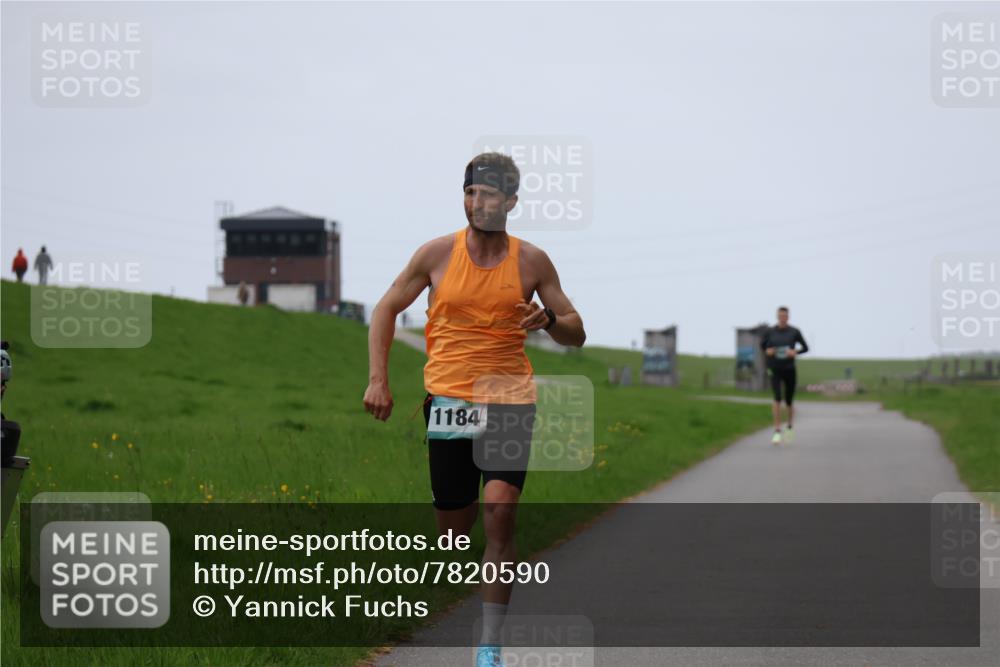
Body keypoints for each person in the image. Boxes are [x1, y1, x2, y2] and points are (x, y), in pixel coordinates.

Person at [363, 152, 586, 667]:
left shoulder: (531, 261)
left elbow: (576, 330)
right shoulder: (437, 254)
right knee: (454, 531)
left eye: (486, 194)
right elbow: (385, 308)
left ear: (510, 201)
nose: (476, 202)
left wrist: (548, 317)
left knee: (500, 511)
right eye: (469, 192)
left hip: (509, 400)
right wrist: (378, 379)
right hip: (449, 402)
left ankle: (489, 646)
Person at [761, 306, 809, 444]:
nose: (782, 318)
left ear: (788, 317)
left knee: (788, 400)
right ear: (777, 316)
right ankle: (777, 431)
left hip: (789, 368)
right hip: (774, 368)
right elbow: (763, 346)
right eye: (780, 316)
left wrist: (795, 352)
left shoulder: (794, 332)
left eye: (785, 316)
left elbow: (806, 348)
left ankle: (789, 427)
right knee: (777, 397)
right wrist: (768, 351)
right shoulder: (770, 331)